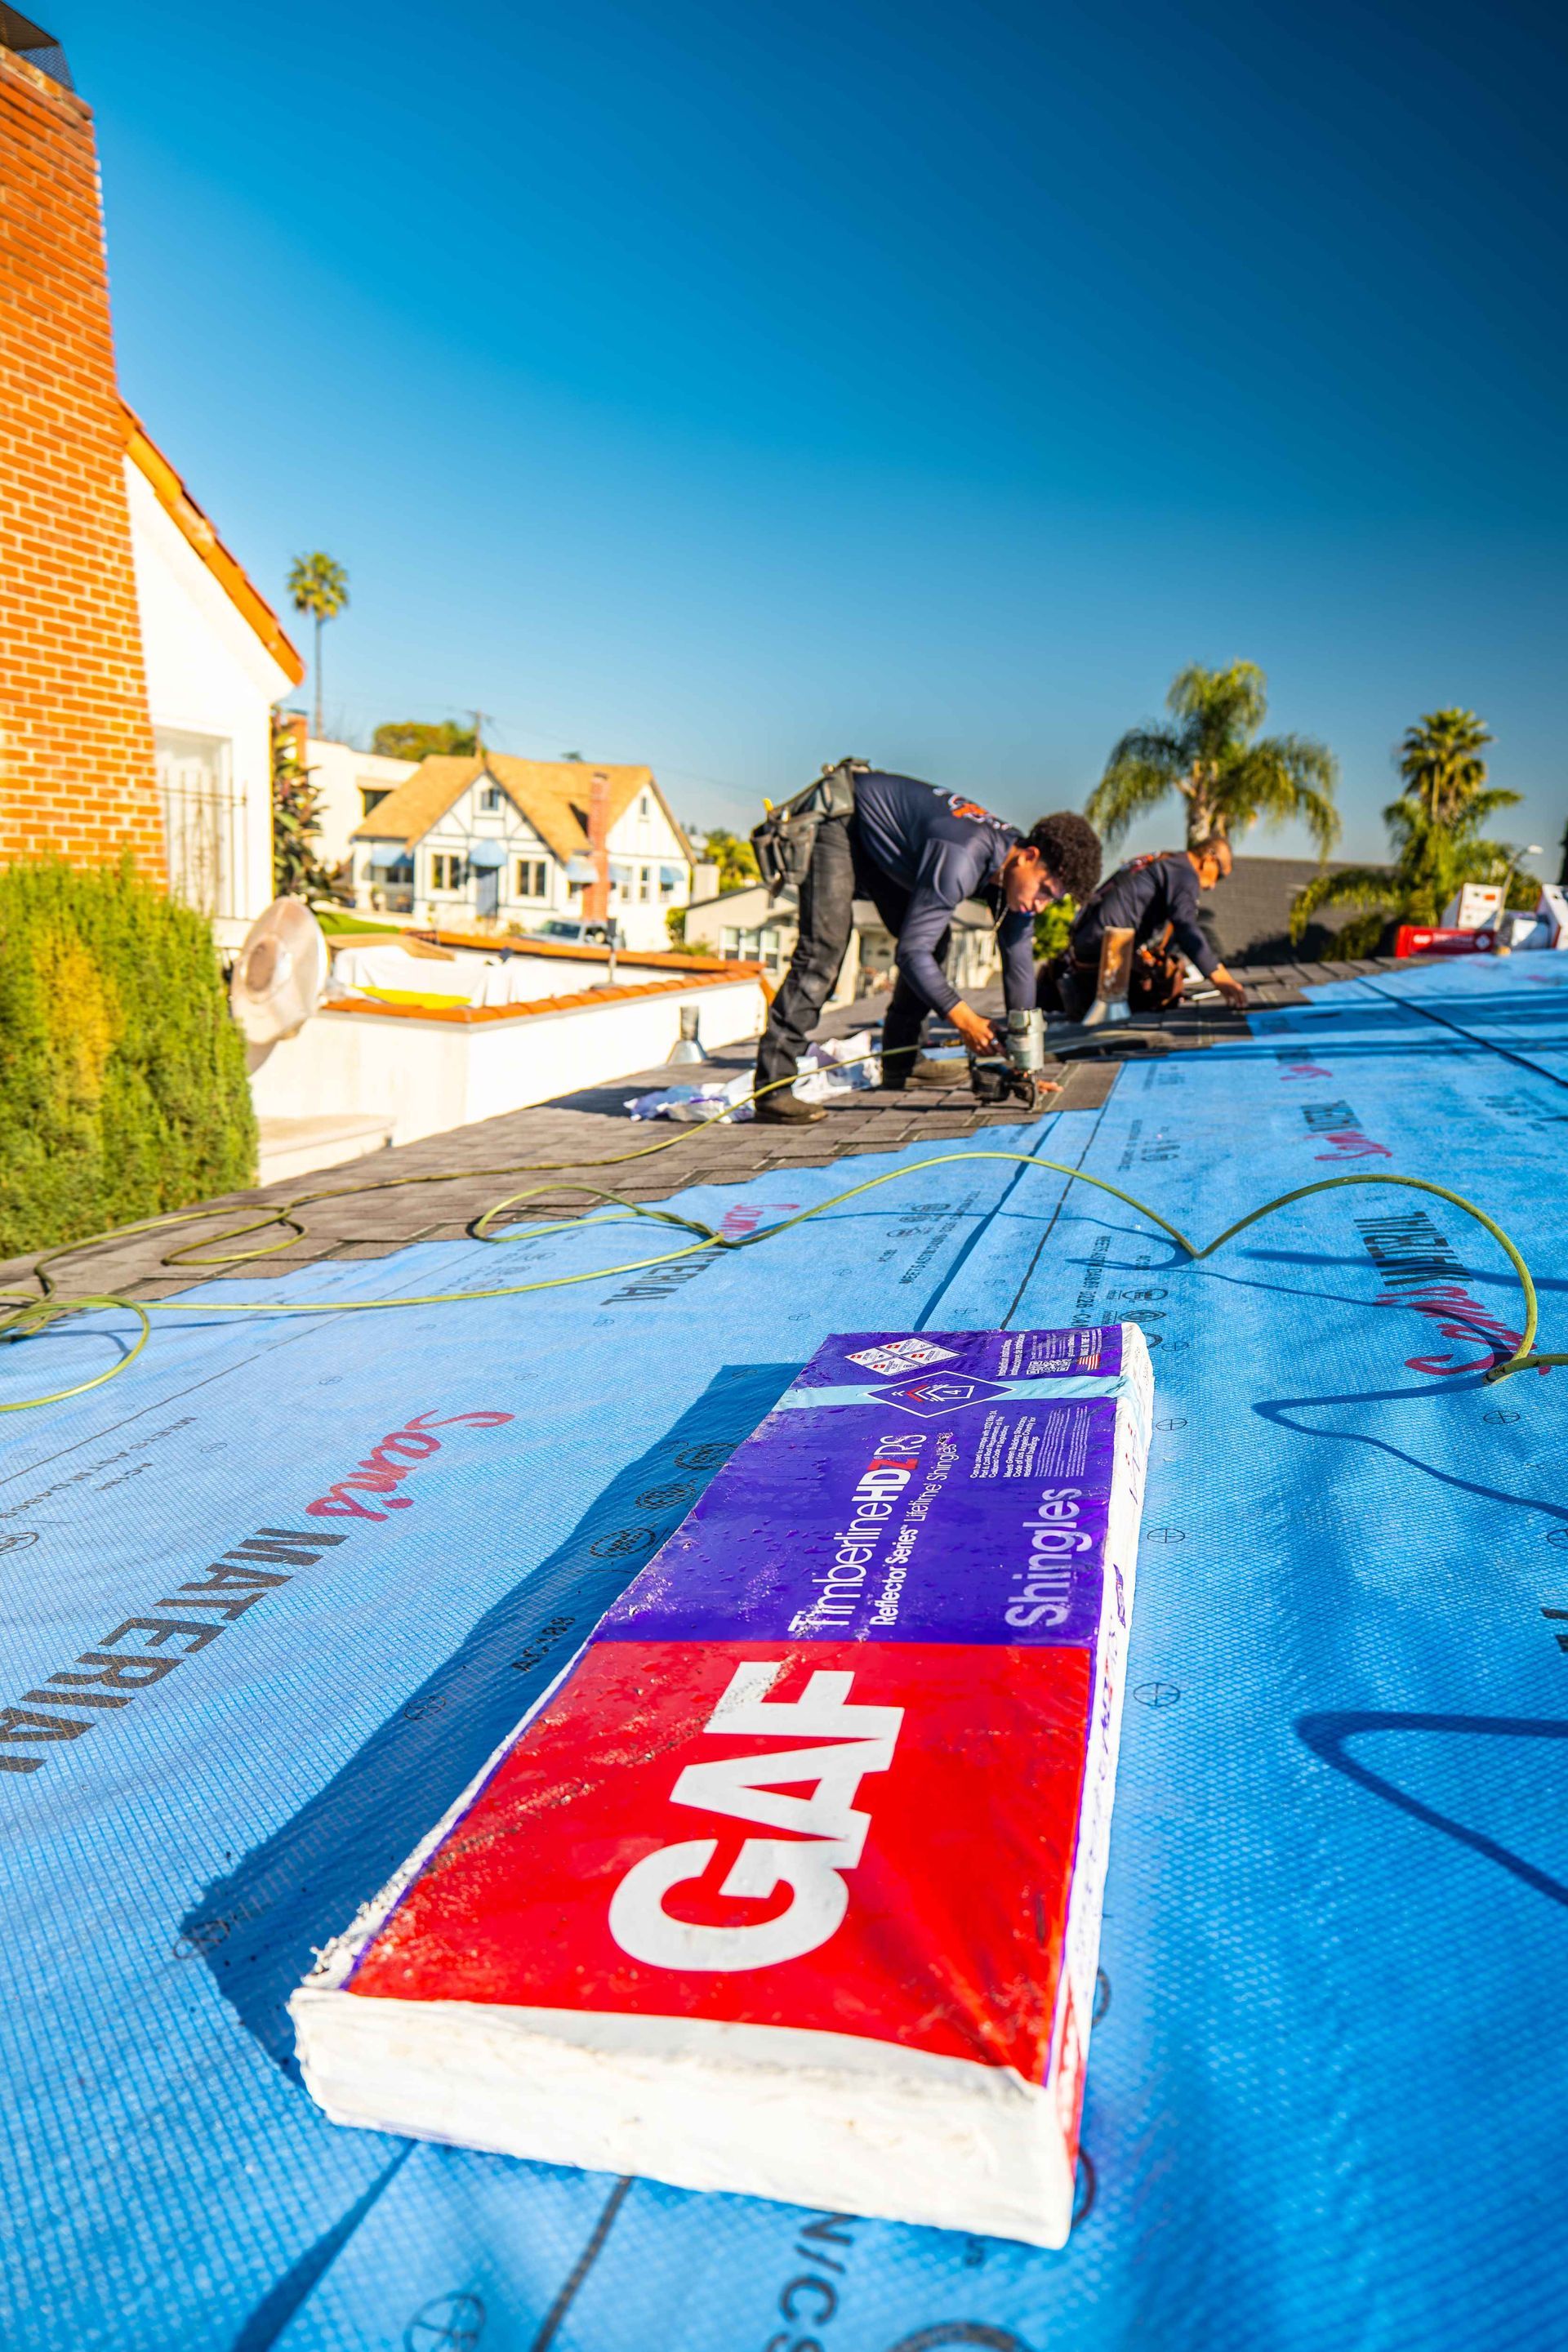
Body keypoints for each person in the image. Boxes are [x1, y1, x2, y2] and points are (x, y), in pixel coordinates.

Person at [753, 771, 1102, 1122]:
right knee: (823, 952)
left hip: (883, 845)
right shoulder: (964, 854)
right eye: (1044, 889)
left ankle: (902, 1062)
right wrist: (964, 1019)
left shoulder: (1013, 880)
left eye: (1053, 899)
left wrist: (1025, 1066)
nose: (1041, 905)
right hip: (842, 821)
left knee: (935, 942)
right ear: (1028, 856)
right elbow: (910, 952)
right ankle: (772, 1088)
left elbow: (1019, 966)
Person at [1037, 835, 1249, 1022]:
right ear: (1209, 859)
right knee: (1160, 990)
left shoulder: (1167, 862)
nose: (1213, 885)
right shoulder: (1184, 873)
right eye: (1219, 875)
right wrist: (1219, 976)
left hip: (1087, 949)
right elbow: (1186, 926)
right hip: (1105, 955)